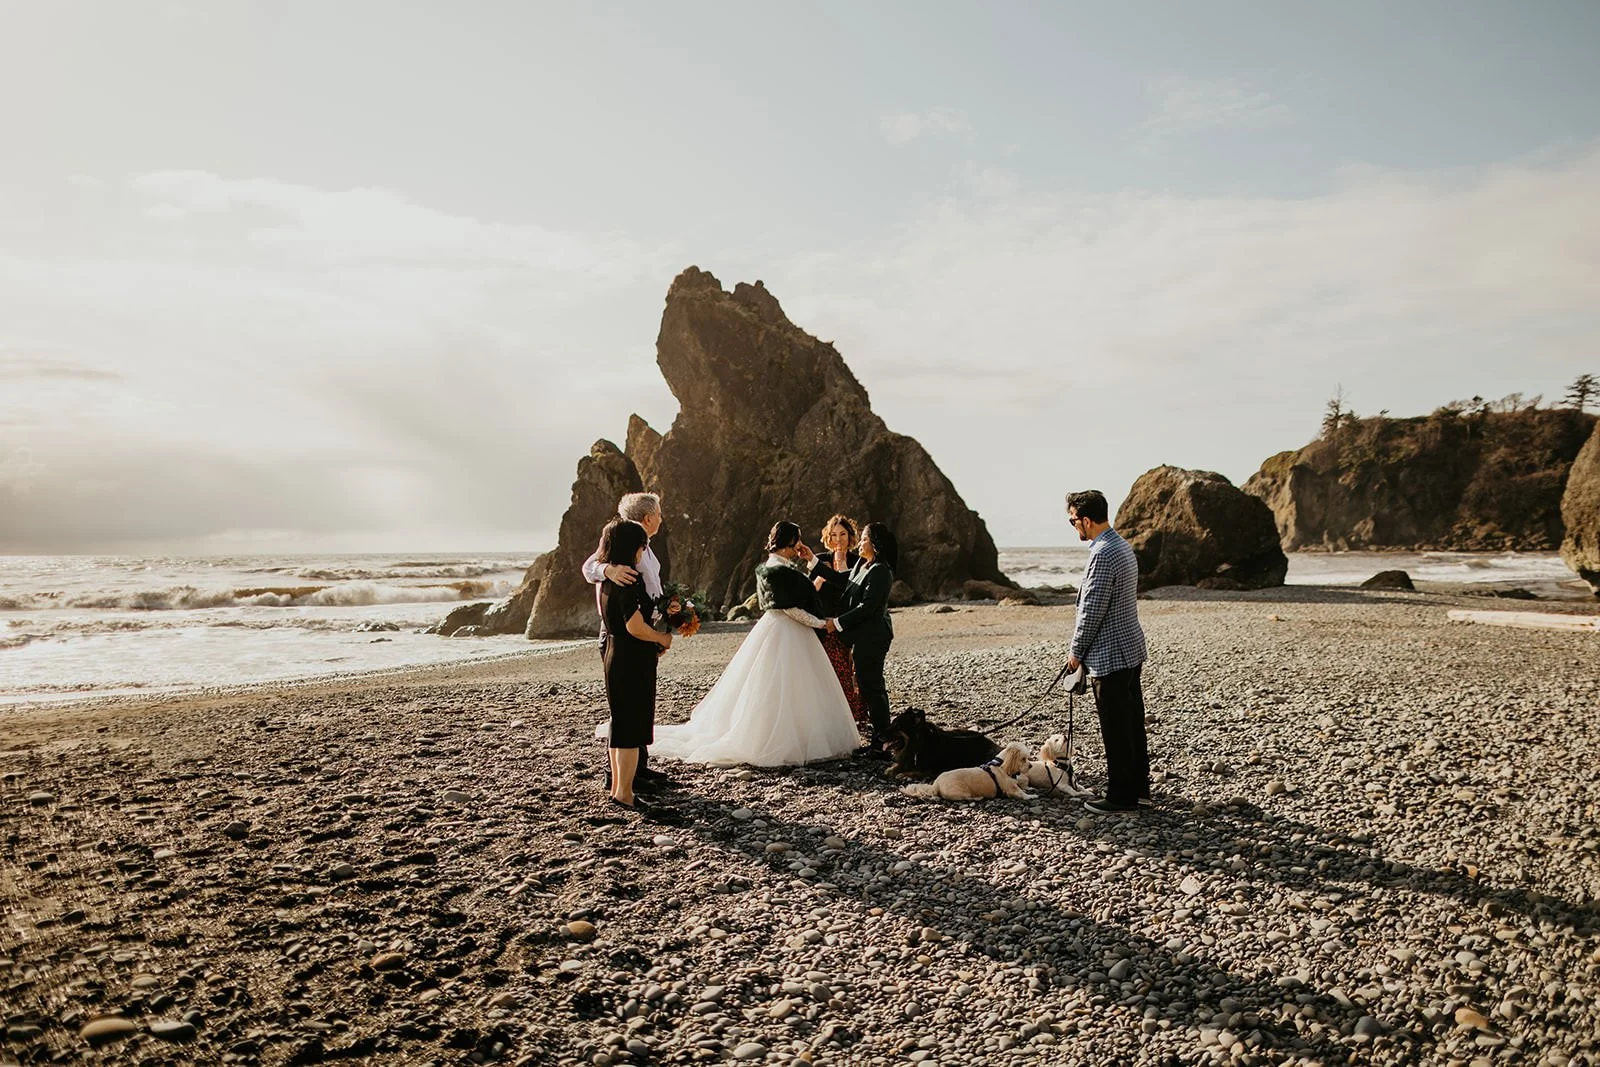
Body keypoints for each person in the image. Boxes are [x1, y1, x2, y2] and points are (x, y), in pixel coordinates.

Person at [648, 522, 860, 767]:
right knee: (790, 683)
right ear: (790, 542)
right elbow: (789, 608)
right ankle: (789, 738)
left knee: (777, 683)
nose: (799, 546)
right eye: (797, 541)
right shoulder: (781, 571)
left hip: (775, 628)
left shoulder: (769, 566)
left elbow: (789, 599)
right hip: (788, 630)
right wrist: (821, 623)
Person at [1064, 489, 1151, 815]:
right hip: (1129, 648)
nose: (1074, 528)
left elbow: (1092, 609)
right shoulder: (1121, 546)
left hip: (1110, 654)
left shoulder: (1102, 553)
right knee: (1131, 724)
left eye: (1073, 521)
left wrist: (1076, 652)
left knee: (1115, 728)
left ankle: (1120, 796)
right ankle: (1139, 790)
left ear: (1086, 519)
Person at [582, 492, 676, 791]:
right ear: (648, 517)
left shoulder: (645, 547)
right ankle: (621, 778)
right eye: (659, 514)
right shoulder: (620, 541)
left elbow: (653, 587)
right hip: (619, 630)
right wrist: (608, 569)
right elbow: (589, 568)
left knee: (639, 703)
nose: (661, 519)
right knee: (626, 706)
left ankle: (639, 770)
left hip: (641, 623)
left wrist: (667, 608)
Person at [597, 519, 673, 808]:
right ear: (634, 548)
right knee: (631, 728)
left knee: (620, 724)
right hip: (631, 655)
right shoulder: (629, 580)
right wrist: (661, 639)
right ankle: (625, 793)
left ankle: (618, 788)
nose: (644, 552)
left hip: (614, 652)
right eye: (643, 546)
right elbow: (635, 626)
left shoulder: (608, 579)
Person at [809, 521, 897, 757]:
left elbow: (867, 607)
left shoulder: (880, 571)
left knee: (872, 687)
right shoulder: (862, 564)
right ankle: (881, 739)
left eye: (865, 539)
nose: (860, 543)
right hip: (860, 635)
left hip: (874, 636)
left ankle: (883, 742)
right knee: (865, 685)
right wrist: (812, 561)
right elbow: (842, 581)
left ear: (875, 545)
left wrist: (835, 624)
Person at [812, 513, 867, 729]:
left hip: (850, 622)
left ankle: (857, 714)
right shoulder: (820, 560)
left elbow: (858, 594)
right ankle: (837, 715)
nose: (838, 539)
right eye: (834, 534)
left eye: (842, 534)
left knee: (855, 670)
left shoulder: (859, 561)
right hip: (824, 625)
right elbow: (809, 594)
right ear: (828, 536)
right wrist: (819, 578)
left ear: (850, 536)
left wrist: (843, 568)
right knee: (834, 670)